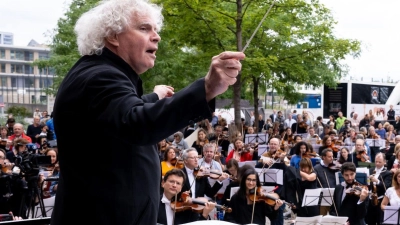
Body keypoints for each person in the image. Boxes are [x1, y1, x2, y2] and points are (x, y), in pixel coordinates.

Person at [50, 0, 245, 224]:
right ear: (113, 36)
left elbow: (116, 116)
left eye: (156, 29)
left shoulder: (99, 73)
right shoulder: (100, 77)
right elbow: (136, 122)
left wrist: (154, 97)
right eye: (144, 28)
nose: (156, 36)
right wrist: (207, 87)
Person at [365, 153, 392, 225]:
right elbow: (366, 184)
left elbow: (387, 187)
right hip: (370, 199)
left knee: (380, 221)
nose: (377, 163)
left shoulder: (387, 173)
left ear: (384, 162)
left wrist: (377, 181)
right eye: (376, 161)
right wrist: (368, 180)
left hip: (380, 200)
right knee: (370, 221)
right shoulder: (370, 170)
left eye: (379, 162)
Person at [313, 149, 336, 215]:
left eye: (332, 156)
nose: (332, 158)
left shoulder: (335, 168)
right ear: (323, 157)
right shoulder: (317, 168)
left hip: (334, 195)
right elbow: (315, 183)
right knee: (322, 217)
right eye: (329, 157)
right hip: (323, 196)